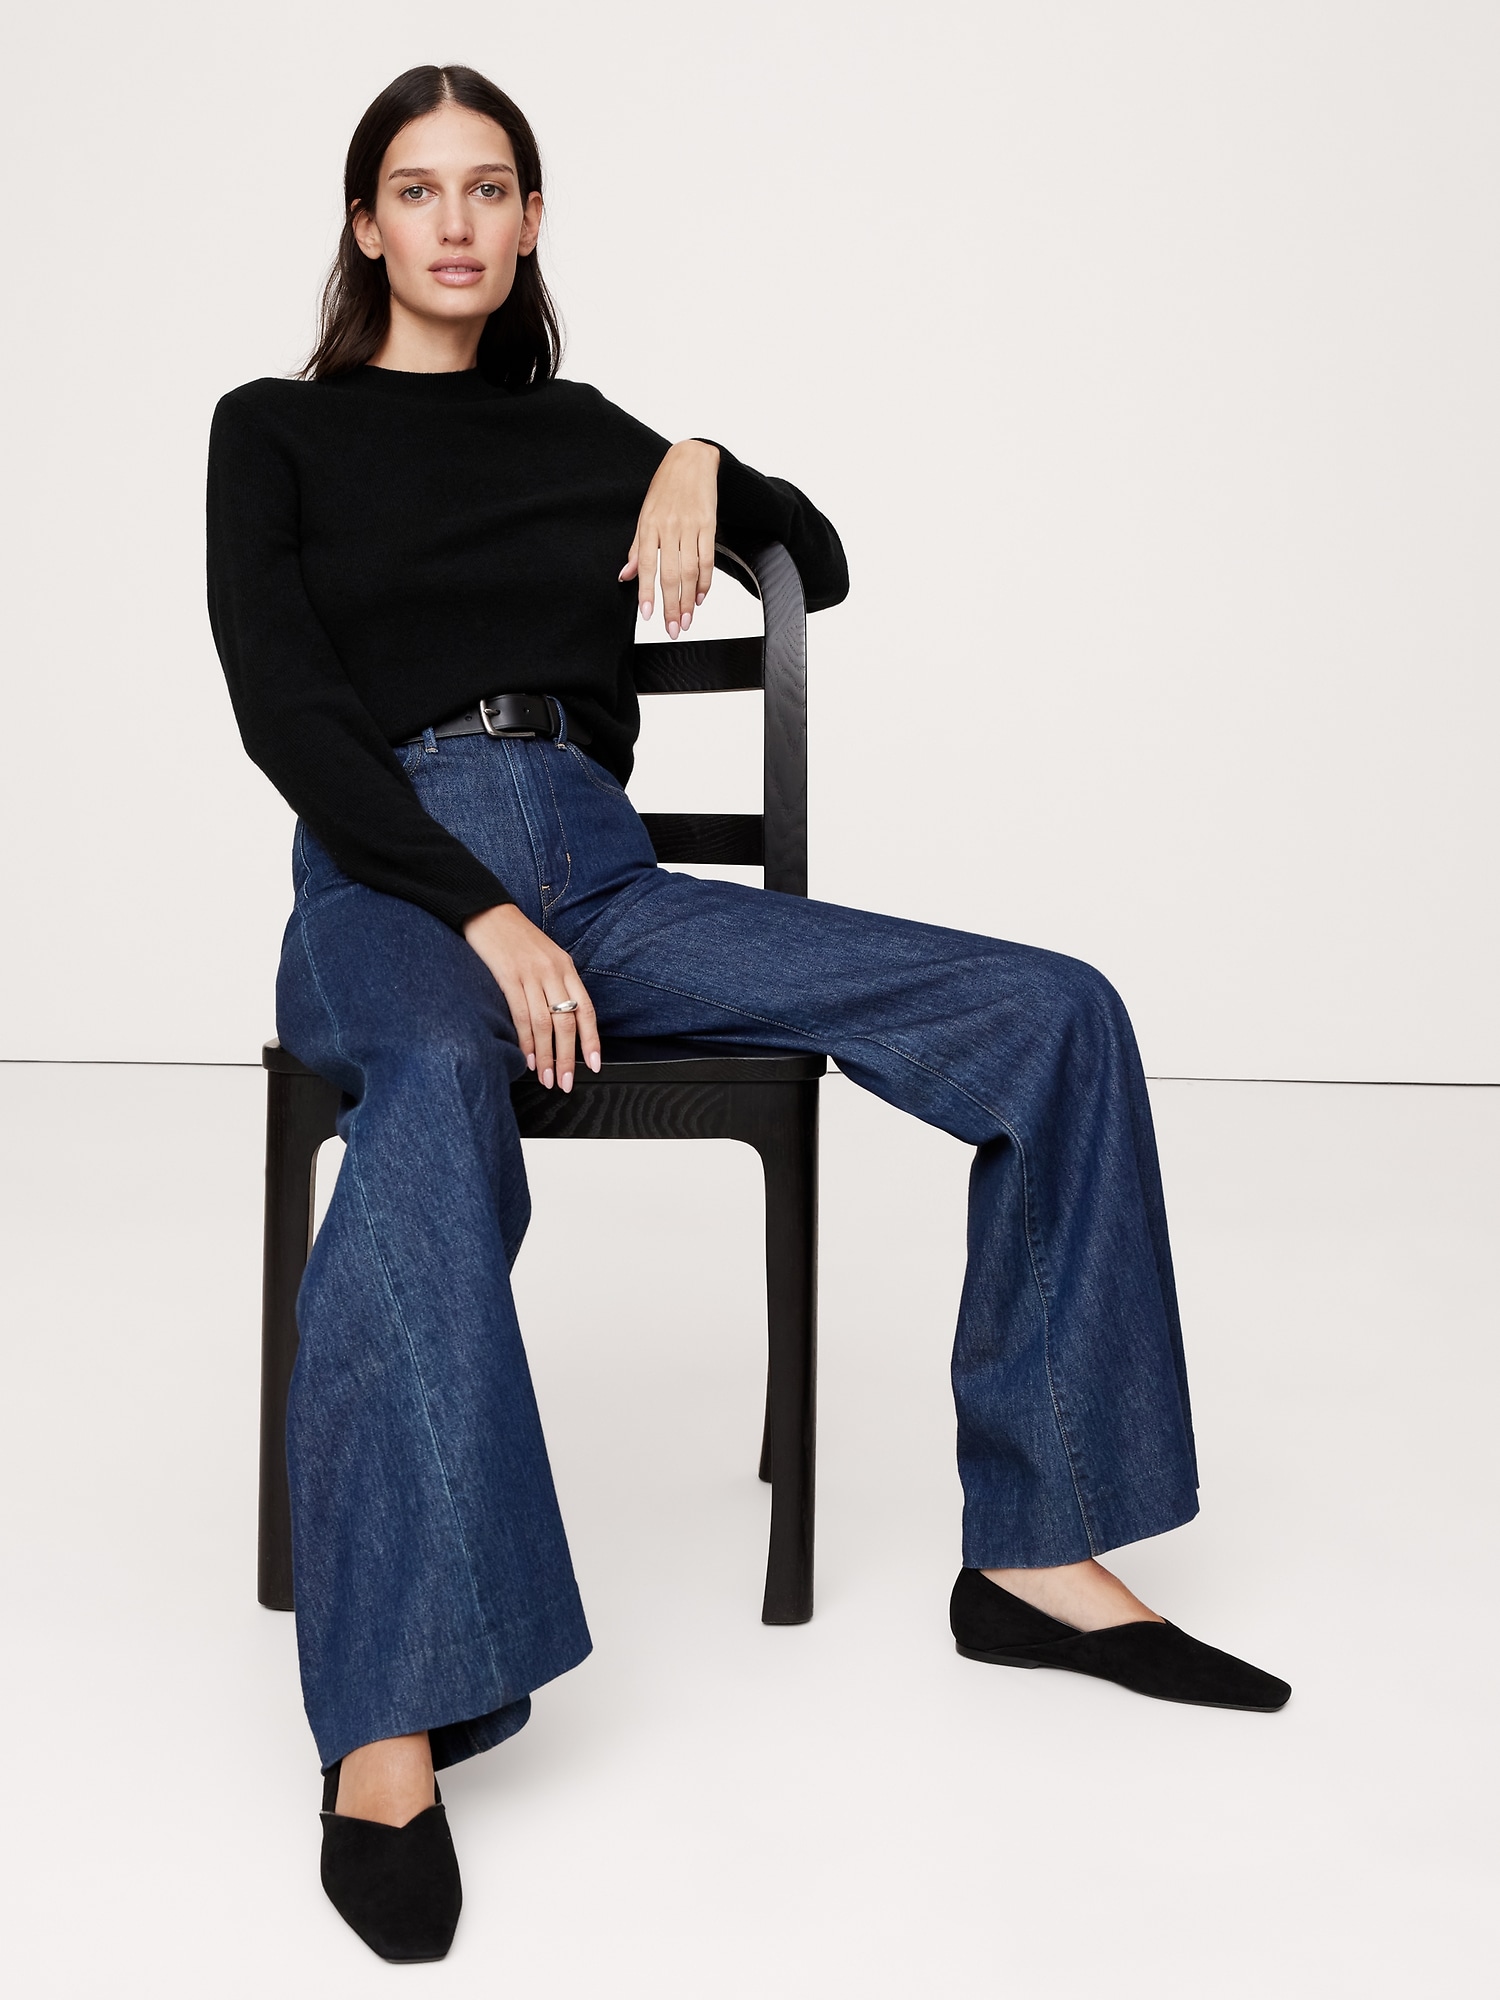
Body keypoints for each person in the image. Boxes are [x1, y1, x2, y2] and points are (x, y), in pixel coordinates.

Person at [206, 62, 1289, 1966]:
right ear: (364, 224)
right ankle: (386, 1721)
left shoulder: (580, 432)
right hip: (389, 880)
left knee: (1056, 1016)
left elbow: (819, 557)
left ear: (532, 220)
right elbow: (286, 713)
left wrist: (700, 456)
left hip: (604, 875)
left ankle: (1039, 1552)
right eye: (417, 189)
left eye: (490, 188)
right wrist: (475, 910)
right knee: (437, 1074)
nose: (455, 222)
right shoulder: (272, 432)